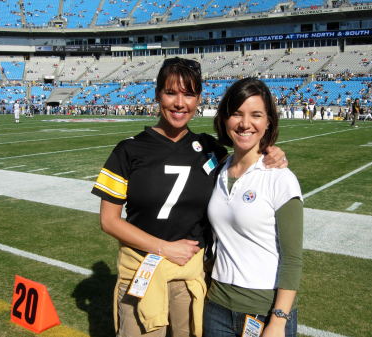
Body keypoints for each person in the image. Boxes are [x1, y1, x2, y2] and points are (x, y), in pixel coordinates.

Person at [90, 58, 287, 337]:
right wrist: (163, 247)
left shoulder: (211, 150)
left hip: (190, 275)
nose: (179, 103)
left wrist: (271, 151)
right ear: (158, 95)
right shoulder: (128, 151)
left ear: (199, 99)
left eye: (189, 94)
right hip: (141, 273)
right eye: (171, 93)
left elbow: (246, 157)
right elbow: (109, 221)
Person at [204, 78, 303, 337]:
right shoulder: (217, 168)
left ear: (268, 120)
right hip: (216, 306)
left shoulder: (281, 178)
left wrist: (279, 321)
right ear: (225, 119)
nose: (245, 124)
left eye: (256, 115)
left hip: (264, 311)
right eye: (236, 113)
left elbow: (292, 258)